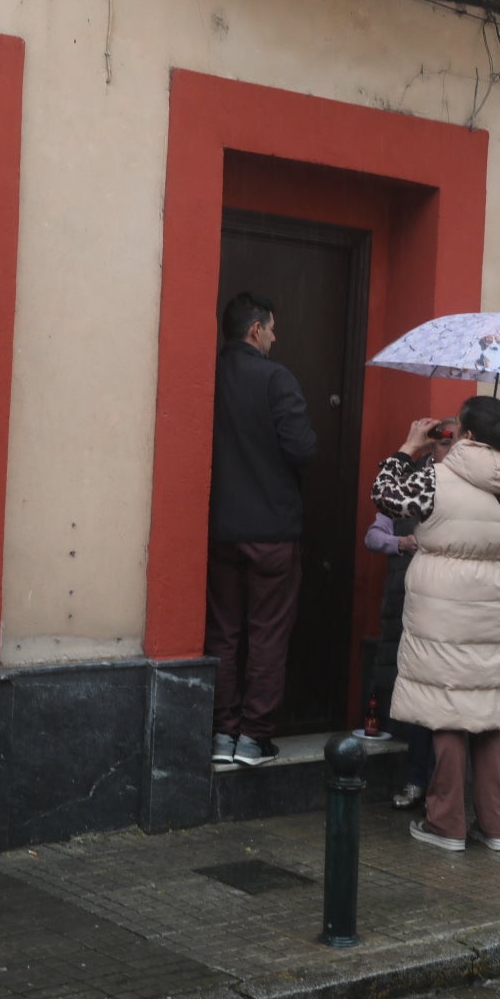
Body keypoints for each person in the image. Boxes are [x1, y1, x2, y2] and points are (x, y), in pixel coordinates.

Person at [372, 396, 500, 852]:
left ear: (467, 434)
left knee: (446, 712)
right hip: (498, 609)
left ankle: (445, 824)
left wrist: (408, 447)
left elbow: (386, 496)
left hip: (443, 607)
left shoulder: (437, 475)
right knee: (488, 717)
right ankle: (497, 828)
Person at [206, 292, 318, 769]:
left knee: (224, 633)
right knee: (267, 634)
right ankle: (253, 739)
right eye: (271, 328)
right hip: (272, 532)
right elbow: (303, 449)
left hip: (221, 530)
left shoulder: (208, 375)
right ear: (255, 330)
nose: (275, 336)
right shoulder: (277, 379)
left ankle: (221, 734)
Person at [361, 417, 456, 809]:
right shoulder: (411, 482)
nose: (449, 448)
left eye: (455, 440)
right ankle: (418, 779)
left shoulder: (470, 488)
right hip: (410, 596)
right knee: (418, 696)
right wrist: (401, 542)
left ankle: (442, 787)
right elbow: (373, 534)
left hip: (450, 604)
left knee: (447, 699)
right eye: (442, 440)